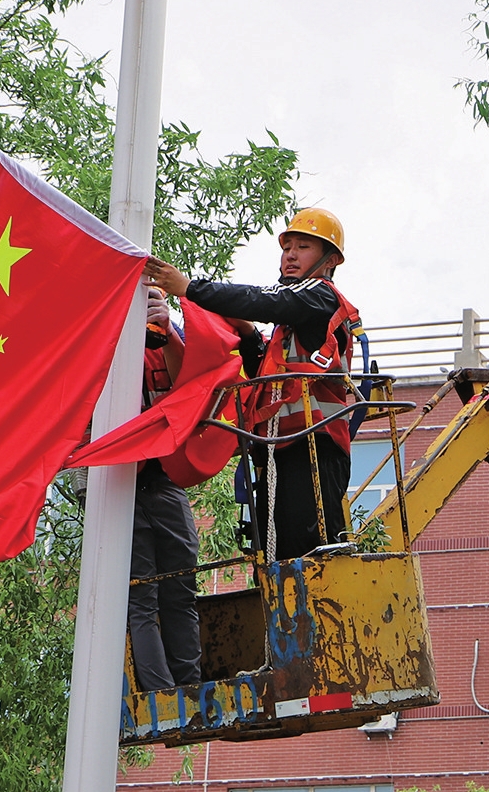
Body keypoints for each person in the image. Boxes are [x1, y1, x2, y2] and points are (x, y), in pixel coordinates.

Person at [144, 208, 360, 560]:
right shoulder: (291, 323)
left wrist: (190, 289)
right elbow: (267, 373)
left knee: (310, 554)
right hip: (282, 447)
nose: (290, 255)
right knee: (279, 551)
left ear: (330, 259)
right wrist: (246, 334)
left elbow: (266, 300)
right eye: (286, 247)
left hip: (315, 445)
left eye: (302, 247)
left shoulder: (320, 297)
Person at [125, 287, 202, 692]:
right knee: (141, 596)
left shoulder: (162, 340)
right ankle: (162, 696)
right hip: (119, 485)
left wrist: (167, 327)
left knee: (180, 588)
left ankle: (188, 688)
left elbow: (190, 381)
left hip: (165, 477)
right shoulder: (99, 348)